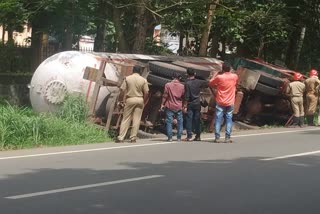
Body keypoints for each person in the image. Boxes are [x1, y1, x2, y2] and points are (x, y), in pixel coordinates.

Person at [116, 65, 149, 143]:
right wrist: (143, 101)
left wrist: (120, 100)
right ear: (140, 71)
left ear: (133, 70)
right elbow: (147, 92)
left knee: (126, 118)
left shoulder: (127, 78)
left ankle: (121, 138)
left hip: (130, 99)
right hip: (140, 99)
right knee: (136, 119)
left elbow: (122, 90)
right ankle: (133, 138)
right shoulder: (143, 80)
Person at [209, 62, 238, 143]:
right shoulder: (235, 76)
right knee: (229, 119)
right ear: (230, 69)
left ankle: (217, 137)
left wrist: (215, 74)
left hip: (220, 101)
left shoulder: (219, 77)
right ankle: (227, 137)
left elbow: (210, 83)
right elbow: (234, 77)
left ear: (222, 69)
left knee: (218, 119)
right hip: (230, 102)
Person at [184, 69, 209, 141]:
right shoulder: (199, 82)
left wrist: (185, 106)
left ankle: (189, 136)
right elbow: (207, 84)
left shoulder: (187, 83)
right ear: (194, 73)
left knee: (189, 119)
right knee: (197, 119)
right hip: (197, 103)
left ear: (187, 74)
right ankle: (198, 136)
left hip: (190, 104)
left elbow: (187, 96)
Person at [161, 73, 185, 141]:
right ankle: (179, 137)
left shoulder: (168, 85)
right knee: (180, 121)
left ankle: (170, 137)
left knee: (169, 121)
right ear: (179, 78)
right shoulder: (182, 86)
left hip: (170, 105)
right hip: (179, 106)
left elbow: (165, 95)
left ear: (172, 77)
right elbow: (183, 96)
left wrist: (162, 104)